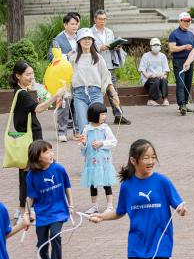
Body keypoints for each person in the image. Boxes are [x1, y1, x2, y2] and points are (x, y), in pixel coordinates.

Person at [8, 61, 64, 220]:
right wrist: (55, 96)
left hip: (28, 137)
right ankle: (25, 210)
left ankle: (23, 209)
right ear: (18, 76)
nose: (31, 77)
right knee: (31, 173)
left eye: (32, 73)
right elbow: (38, 108)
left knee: (28, 173)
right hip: (31, 138)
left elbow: (37, 108)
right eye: (27, 74)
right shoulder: (23, 94)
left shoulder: (21, 91)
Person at [25, 140, 73, 259]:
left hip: (59, 210)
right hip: (42, 213)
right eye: (46, 152)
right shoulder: (31, 176)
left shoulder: (58, 169)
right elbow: (30, 197)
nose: (51, 154)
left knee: (55, 236)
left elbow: (67, 186)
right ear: (37, 156)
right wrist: (27, 213)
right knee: (42, 243)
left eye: (51, 150)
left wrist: (71, 205)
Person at [70, 28, 119, 139]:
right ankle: (87, 153)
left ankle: (99, 153)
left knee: (98, 125)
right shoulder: (73, 59)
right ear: (78, 41)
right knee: (83, 127)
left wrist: (114, 94)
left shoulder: (98, 58)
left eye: (89, 38)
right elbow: (68, 79)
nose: (86, 41)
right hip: (79, 95)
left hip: (96, 94)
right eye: (83, 38)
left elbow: (106, 78)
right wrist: (64, 95)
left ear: (92, 41)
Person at [91, 9, 130, 125]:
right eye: (100, 19)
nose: (102, 21)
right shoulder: (90, 32)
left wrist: (116, 47)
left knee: (113, 90)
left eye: (104, 19)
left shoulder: (109, 31)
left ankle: (119, 115)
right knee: (96, 91)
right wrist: (101, 47)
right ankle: (95, 116)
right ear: (95, 19)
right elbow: (89, 48)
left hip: (109, 65)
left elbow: (111, 46)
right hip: (95, 65)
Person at [79, 103, 117, 214]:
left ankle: (109, 205)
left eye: (105, 114)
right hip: (91, 163)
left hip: (104, 162)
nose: (105, 117)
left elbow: (113, 142)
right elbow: (83, 150)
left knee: (106, 183)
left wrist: (102, 143)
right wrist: (84, 144)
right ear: (95, 115)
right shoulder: (87, 129)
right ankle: (94, 206)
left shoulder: (105, 128)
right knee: (93, 184)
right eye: (102, 114)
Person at [49, 12, 81, 142]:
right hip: (64, 77)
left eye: (77, 23)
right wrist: (66, 56)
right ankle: (61, 131)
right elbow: (51, 57)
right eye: (72, 24)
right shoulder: (58, 40)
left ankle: (77, 131)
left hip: (79, 75)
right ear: (65, 24)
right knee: (64, 103)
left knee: (78, 103)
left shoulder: (82, 37)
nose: (75, 26)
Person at [168, 11, 194, 116]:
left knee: (188, 83)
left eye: (189, 21)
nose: (187, 23)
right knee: (181, 83)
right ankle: (182, 104)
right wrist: (184, 47)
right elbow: (171, 48)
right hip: (179, 61)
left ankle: (185, 104)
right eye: (185, 21)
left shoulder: (191, 34)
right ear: (180, 21)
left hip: (189, 61)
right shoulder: (174, 34)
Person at [138, 38, 170, 107]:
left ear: (160, 46)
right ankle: (151, 100)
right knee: (156, 80)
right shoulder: (146, 56)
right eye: (154, 45)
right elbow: (142, 69)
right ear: (151, 46)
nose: (156, 47)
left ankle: (165, 99)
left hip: (159, 77)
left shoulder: (162, 56)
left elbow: (165, 70)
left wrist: (161, 74)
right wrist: (148, 75)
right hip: (149, 80)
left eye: (158, 45)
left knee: (164, 80)